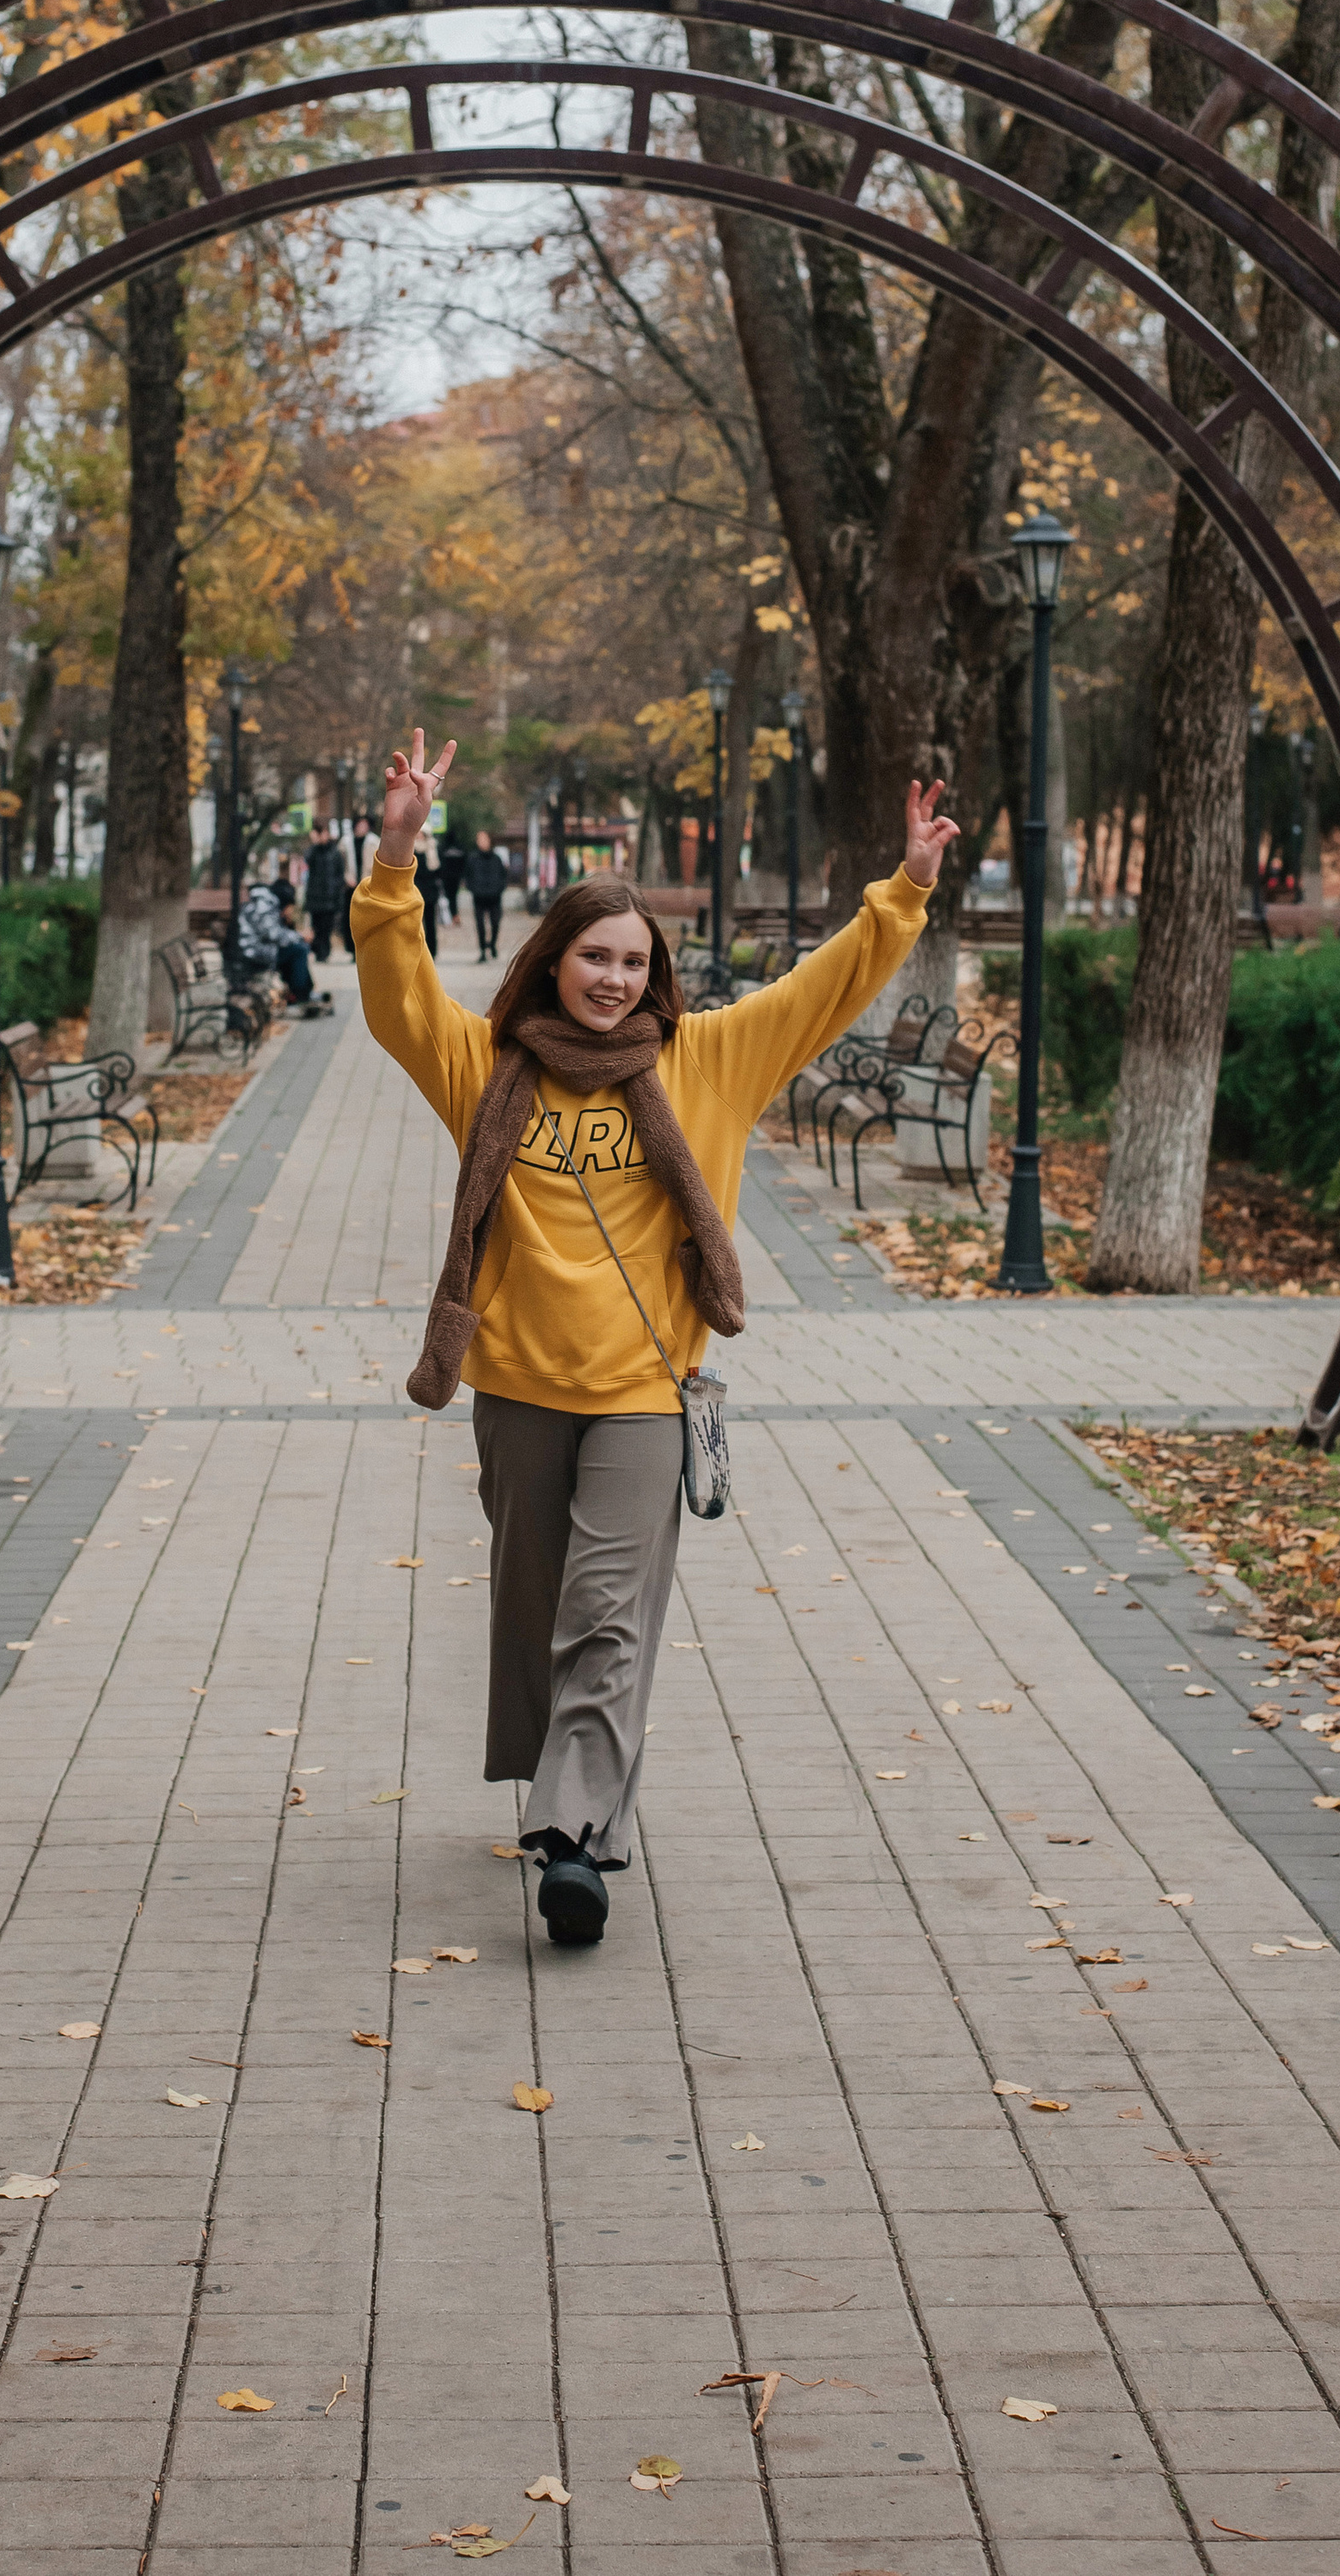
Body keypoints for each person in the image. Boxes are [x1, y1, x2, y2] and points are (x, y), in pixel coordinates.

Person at [352, 726, 954, 1952]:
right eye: (593, 957)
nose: (614, 980)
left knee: (608, 1613)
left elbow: (822, 989)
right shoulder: (487, 1065)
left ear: (655, 972)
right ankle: (562, 1781)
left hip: (642, 1391)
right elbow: (398, 991)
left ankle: (572, 1838)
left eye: (633, 961)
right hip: (518, 1386)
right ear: (553, 962)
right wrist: (398, 851)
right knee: (535, 1608)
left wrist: (905, 893)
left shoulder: (709, 1061)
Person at [237, 876, 327, 1017]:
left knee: (295, 949)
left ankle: (304, 993)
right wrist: (300, 936)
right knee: (299, 950)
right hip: (252, 952)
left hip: (256, 949)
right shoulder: (264, 904)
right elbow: (272, 934)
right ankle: (302, 995)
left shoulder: (266, 902)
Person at [303, 820, 349, 962]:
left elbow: (340, 872)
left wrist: (336, 890)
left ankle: (324, 952)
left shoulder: (334, 852)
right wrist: (315, 844)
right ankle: (319, 952)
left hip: (330, 897)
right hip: (315, 896)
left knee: (326, 927)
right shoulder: (314, 851)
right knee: (316, 926)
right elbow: (307, 860)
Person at [468, 828, 511, 963]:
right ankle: (482, 950)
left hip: (494, 897)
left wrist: (499, 888)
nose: (482, 842)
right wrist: (473, 888)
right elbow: (468, 876)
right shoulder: (473, 858)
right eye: (479, 839)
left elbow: (503, 876)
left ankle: (492, 944)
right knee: (480, 925)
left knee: (495, 922)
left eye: (484, 839)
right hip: (479, 897)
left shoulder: (496, 858)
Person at [413, 840, 444, 957]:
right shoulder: (411, 848)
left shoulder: (433, 848)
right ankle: (417, 950)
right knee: (415, 924)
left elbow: (439, 870)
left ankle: (431, 951)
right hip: (414, 891)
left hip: (430, 891)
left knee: (431, 923)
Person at [437, 827, 468, 921]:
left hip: (446, 877)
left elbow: (440, 863)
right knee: (454, 897)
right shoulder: (460, 848)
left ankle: (449, 916)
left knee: (447, 896)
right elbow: (464, 863)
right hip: (456, 877)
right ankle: (454, 915)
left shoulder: (443, 848)